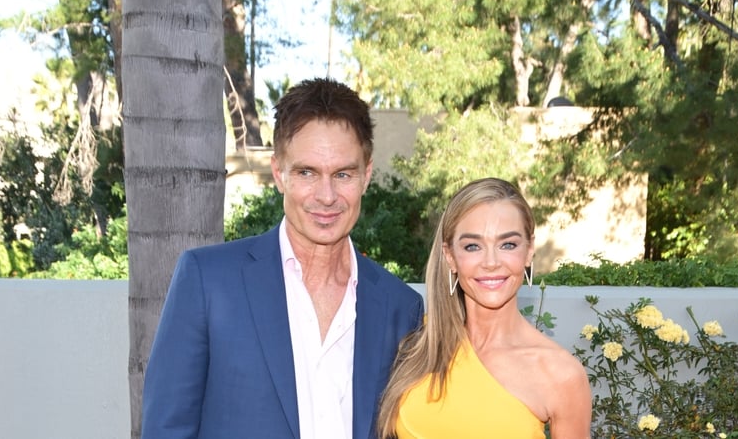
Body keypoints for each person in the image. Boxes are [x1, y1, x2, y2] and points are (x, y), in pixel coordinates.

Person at [141, 78, 425, 439]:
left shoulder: (401, 307)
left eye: (343, 174)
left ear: (366, 175)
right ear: (279, 173)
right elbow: (166, 429)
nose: (326, 196)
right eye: (307, 172)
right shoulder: (208, 282)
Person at [377, 177, 592, 439]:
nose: (491, 262)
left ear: (529, 251)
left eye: (508, 244)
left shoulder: (560, 374)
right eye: (473, 246)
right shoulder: (418, 345)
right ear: (450, 256)